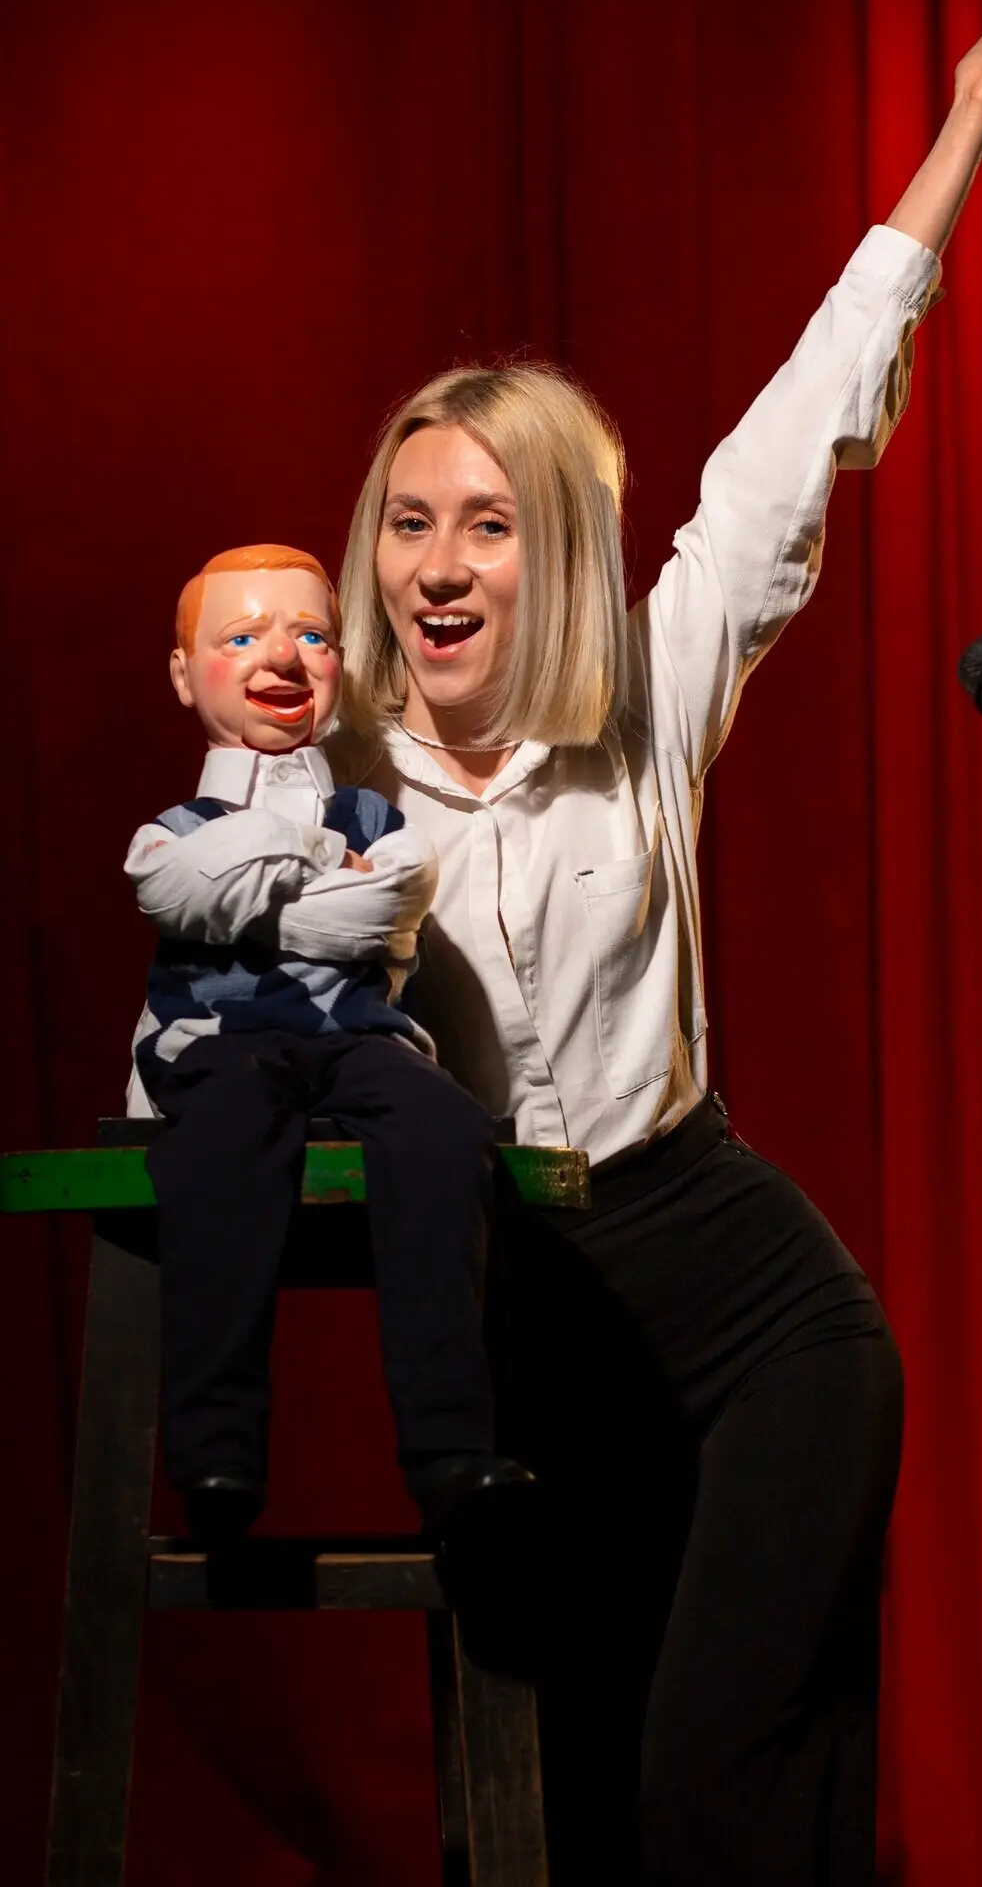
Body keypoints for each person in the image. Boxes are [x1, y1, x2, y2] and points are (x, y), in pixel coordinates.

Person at [330, 0, 982, 1886]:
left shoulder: (645, 684)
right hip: (535, 1329)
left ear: (555, 549)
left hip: (747, 1308)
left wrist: (960, 131)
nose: (439, 562)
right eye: (409, 521)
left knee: (718, 1797)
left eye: (487, 522)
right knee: (568, 1814)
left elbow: (795, 444)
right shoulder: (331, 786)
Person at [124, 543, 528, 1541]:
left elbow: (381, 909)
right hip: (219, 1042)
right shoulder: (172, 829)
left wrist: (250, 895)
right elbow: (175, 888)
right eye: (242, 636)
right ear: (185, 674)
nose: (282, 656)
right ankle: (216, 1449)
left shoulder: (376, 818)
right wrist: (311, 851)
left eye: (312, 634)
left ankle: (449, 1448)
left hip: (359, 1038)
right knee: (223, 1134)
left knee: (446, 1128)